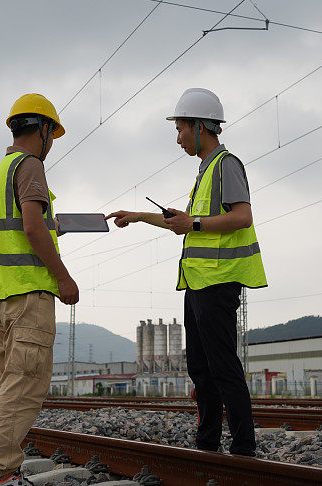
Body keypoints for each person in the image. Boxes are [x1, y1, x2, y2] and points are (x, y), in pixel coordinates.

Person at [105, 88, 267, 456]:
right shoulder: (205, 170)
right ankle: (207, 442)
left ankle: (244, 448)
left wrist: (192, 223)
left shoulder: (226, 164)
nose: (177, 138)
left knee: (223, 367)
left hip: (218, 282)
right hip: (198, 283)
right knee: (200, 367)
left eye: (180, 129)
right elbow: (186, 223)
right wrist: (139, 216)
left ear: (199, 127)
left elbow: (242, 216)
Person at [0, 93, 79, 486]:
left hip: (3, 294)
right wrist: (63, 278)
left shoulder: (0, 170)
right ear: (43, 130)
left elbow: (26, 227)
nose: (52, 141)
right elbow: (33, 228)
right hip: (30, 294)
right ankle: (5, 475)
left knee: (2, 386)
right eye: (52, 132)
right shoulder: (31, 164)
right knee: (23, 389)